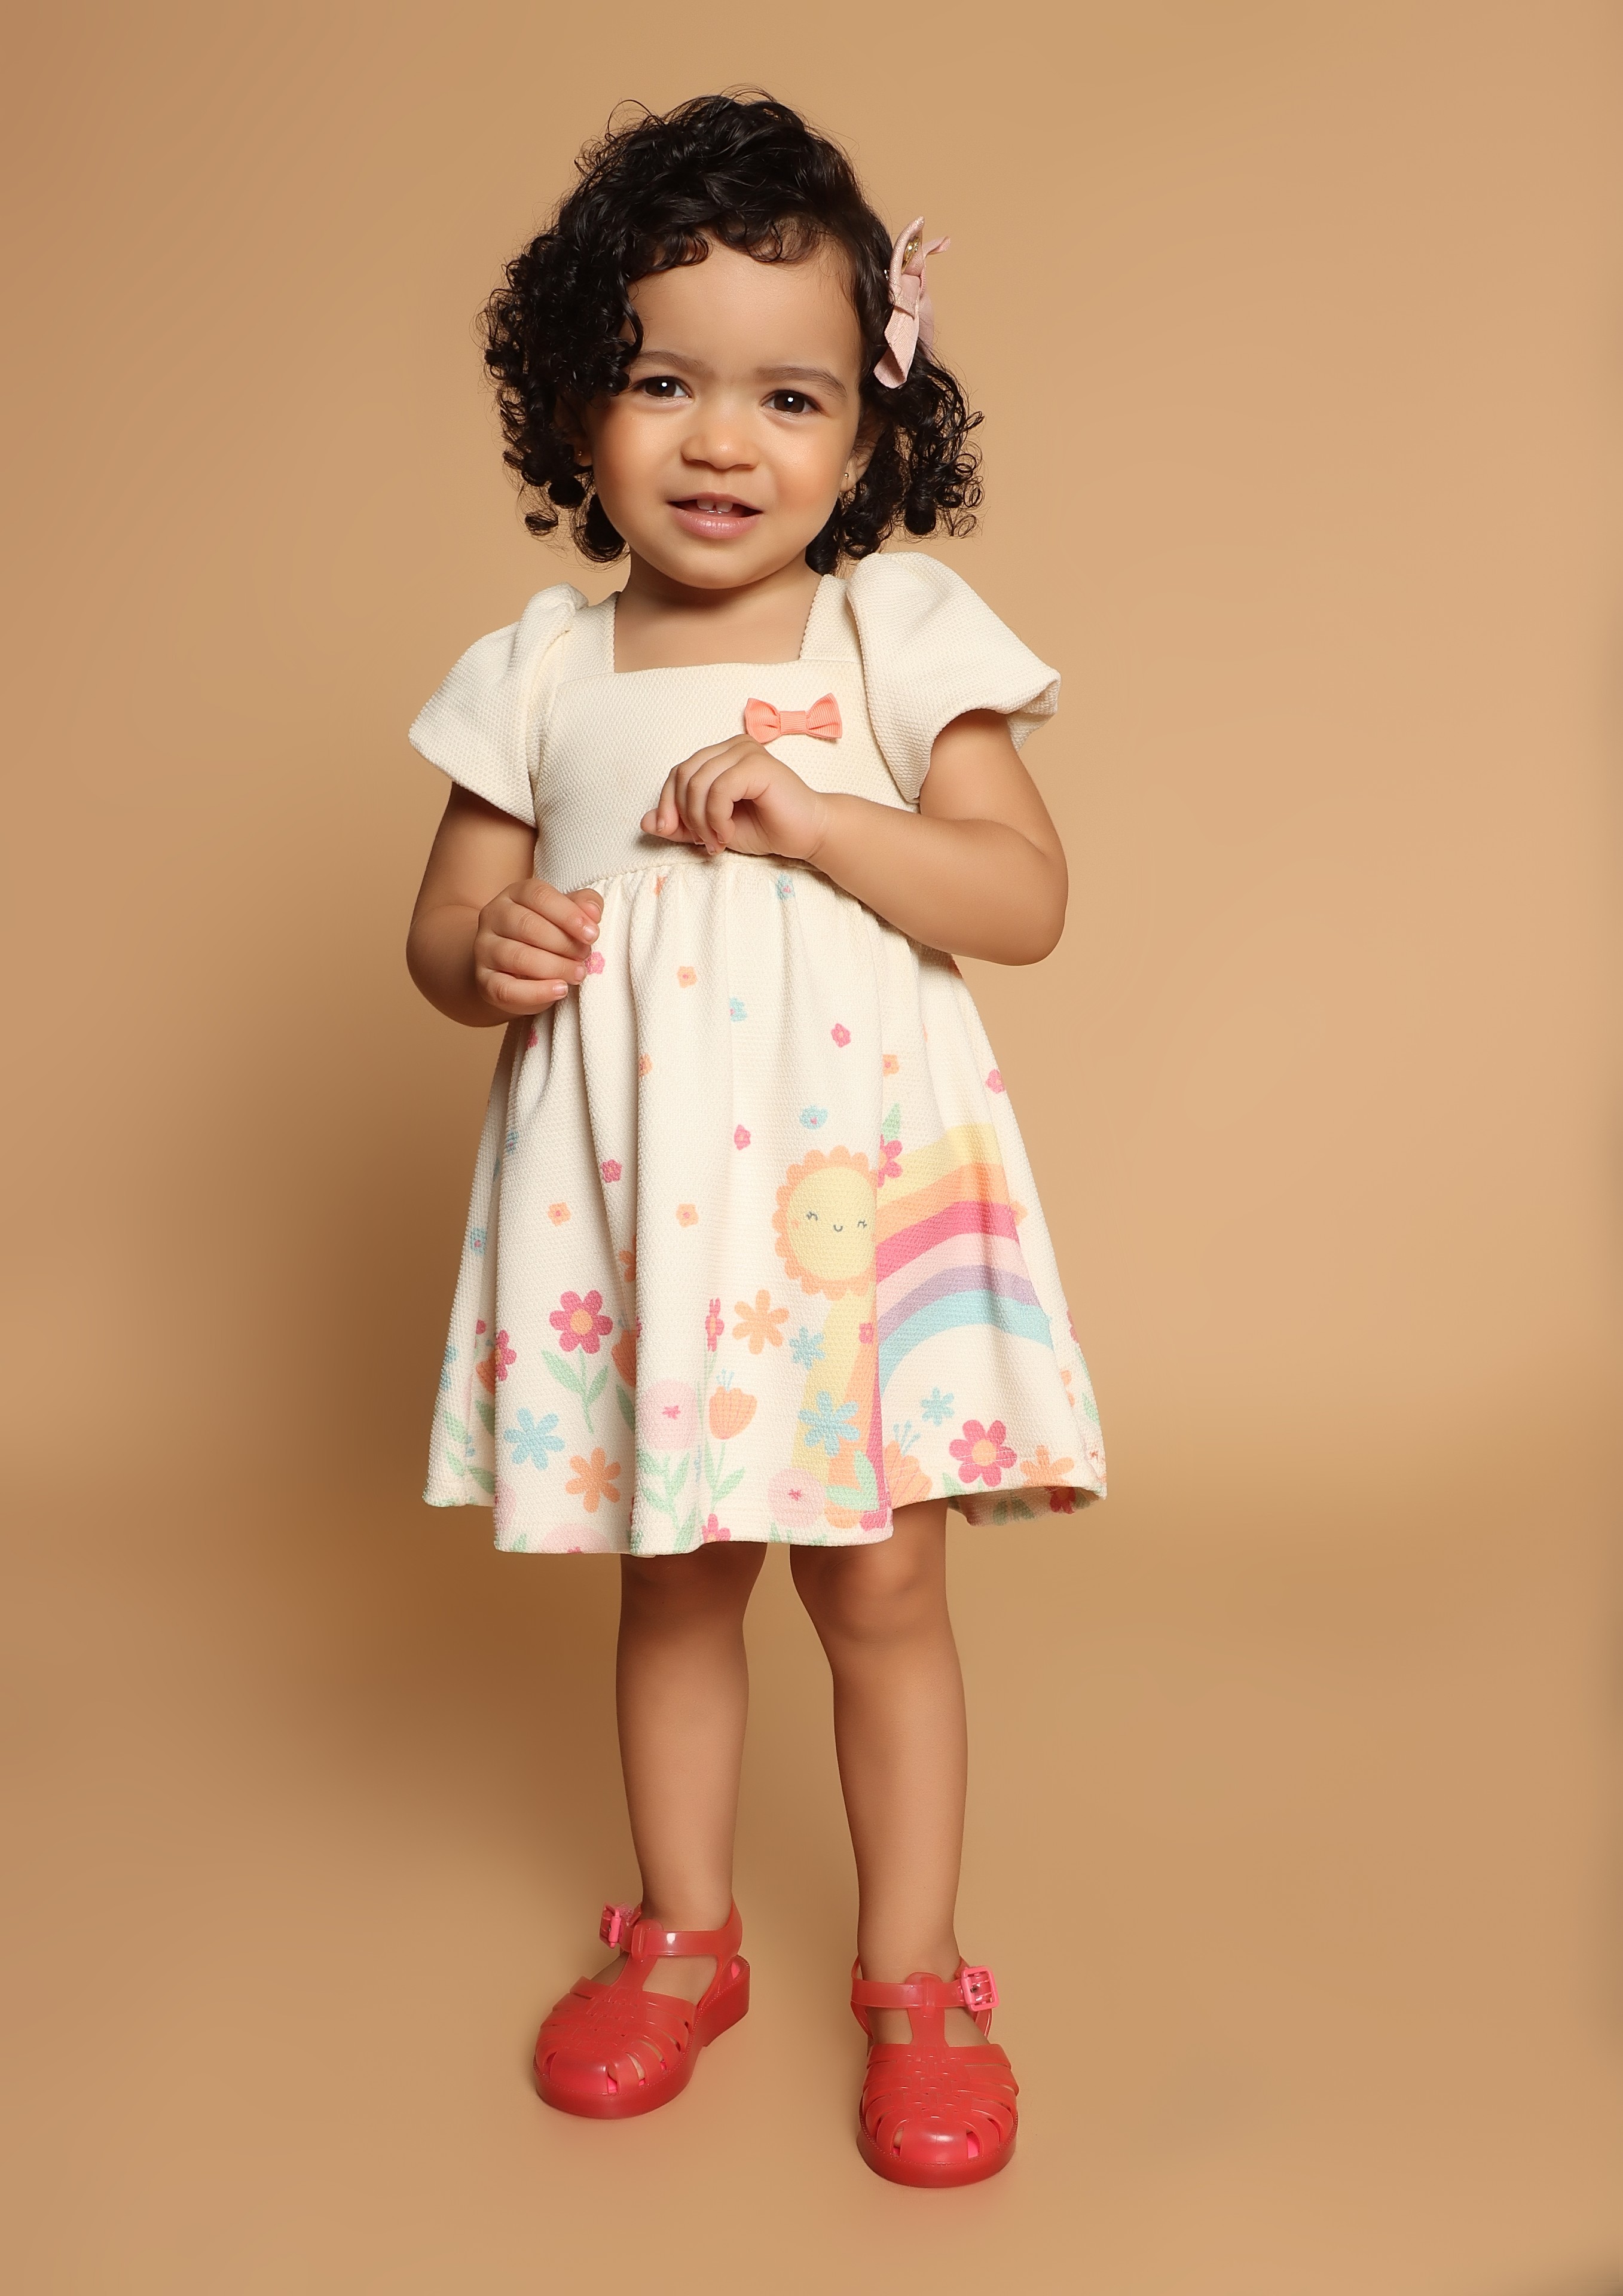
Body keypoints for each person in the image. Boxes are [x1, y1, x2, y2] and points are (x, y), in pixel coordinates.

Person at [405, 91, 1105, 2188]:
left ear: (870, 429)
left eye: (787, 396)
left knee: (880, 1595)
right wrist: (490, 951)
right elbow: (441, 934)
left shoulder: (894, 637)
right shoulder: (540, 669)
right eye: (663, 383)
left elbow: (1022, 900)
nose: (723, 442)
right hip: (654, 1235)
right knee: (679, 1583)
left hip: (850, 1230)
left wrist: (819, 819)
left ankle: (916, 1978)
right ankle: (685, 1939)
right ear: (574, 404)